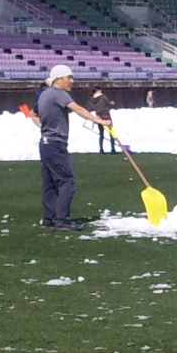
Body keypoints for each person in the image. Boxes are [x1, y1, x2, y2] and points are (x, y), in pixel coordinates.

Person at [26, 64, 111, 229]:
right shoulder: (59, 94)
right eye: (69, 77)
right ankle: (62, 219)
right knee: (67, 181)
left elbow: (32, 114)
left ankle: (50, 219)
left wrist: (45, 128)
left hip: (45, 143)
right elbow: (77, 108)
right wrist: (98, 121)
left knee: (50, 183)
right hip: (56, 144)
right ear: (58, 80)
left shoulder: (44, 94)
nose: (72, 81)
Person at [88, 86, 115, 152]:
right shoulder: (103, 97)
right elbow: (109, 104)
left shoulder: (92, 99)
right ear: (98, 91)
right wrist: (112, 103)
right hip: (106, 116)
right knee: (111, 133)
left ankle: (101, 149)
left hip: (99, 117)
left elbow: (91, 108)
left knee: (101, 134)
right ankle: (113, 149)